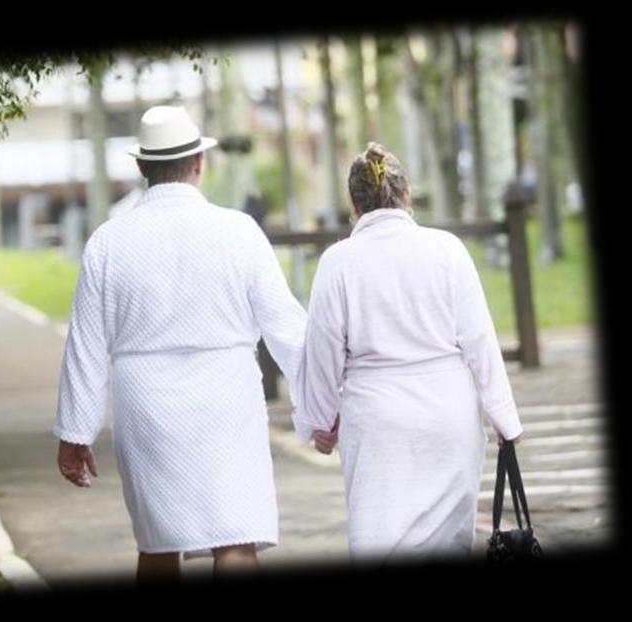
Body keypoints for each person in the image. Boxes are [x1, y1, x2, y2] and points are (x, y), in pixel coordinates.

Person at [54, 105, 306, 582]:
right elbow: (286, 326)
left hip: (147, 402)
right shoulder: (238, 231)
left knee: (158, 543)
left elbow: (85, 345)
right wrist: (323, 401)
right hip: (227, 396)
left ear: (141, 167)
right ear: (198, 163)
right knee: (236, 537)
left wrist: (75, 432)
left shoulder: (108, 241)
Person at [294, 142, 524, 564]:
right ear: (407, 195)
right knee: (449, 540)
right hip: (447, 415)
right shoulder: (447, 250)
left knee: (378, 538)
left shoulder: (338, 262)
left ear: (353, 202)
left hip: (377, 422)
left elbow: (323, 352)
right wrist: (504, 418)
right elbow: (479, 341)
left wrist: (319, 422)